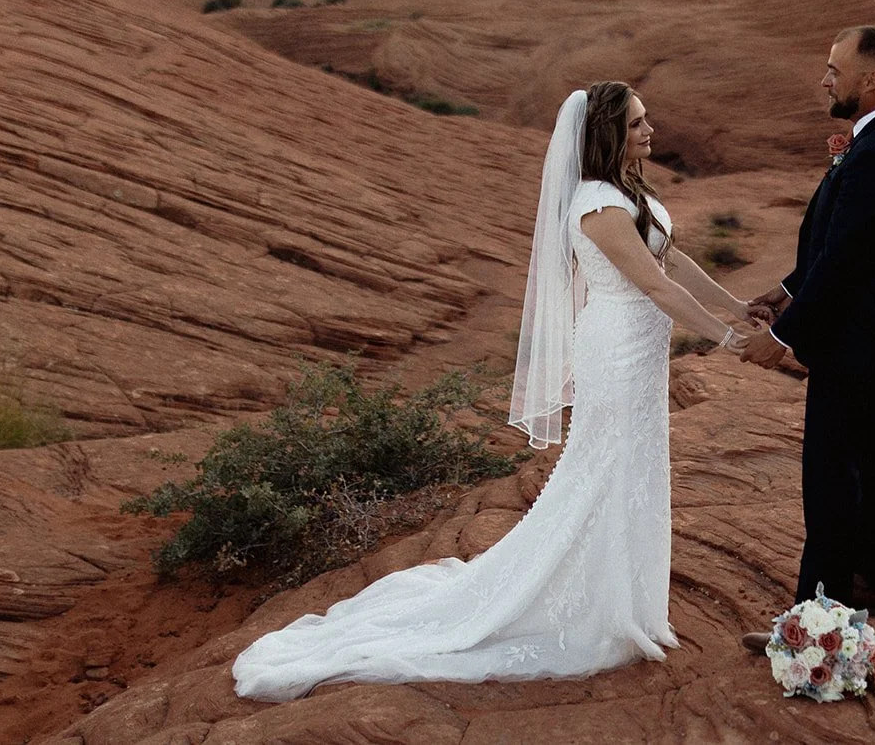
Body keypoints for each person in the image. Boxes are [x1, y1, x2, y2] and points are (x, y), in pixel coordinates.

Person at [232, 81, 753, 701]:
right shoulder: (597, 204)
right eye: (639, 123)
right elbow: (654, 287)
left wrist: (739, 306)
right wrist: (726, 340)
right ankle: (595, 604)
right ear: (609, 133)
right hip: (615, 348)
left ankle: (623, 596)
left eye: (647, 120)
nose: (650, 131)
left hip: (640, 353)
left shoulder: (628, 189)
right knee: (604, 465)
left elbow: (674, 261)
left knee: (635, 464)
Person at [738, 25, 875, 650]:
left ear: (868, 80)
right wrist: (789, 289)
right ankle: (874, 584)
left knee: (830, 484)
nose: (825, 79)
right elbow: (844, 242)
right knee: (871, 461)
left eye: (833, 68)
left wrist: (785, 334)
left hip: (854, 346)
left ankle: (813, 631)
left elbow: (846, 260)